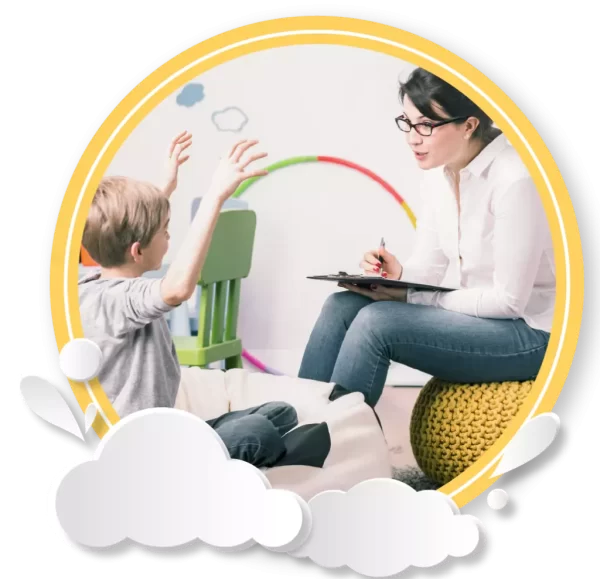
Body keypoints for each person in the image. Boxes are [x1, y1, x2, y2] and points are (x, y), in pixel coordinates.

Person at [298, 67, 555, 409]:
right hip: (482, 318)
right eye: (407, 122)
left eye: (426, 125)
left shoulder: (515, 179)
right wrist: (396, 276)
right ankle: (294, 423)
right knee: (341, 305)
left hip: (533, 333)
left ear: (469, 125)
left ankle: (336, 436)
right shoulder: (439, 174)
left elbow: (509, 303)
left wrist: (413, 298)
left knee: (377, 323)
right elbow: (429, 268)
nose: (412, 138)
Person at [78, 132, 298, 468]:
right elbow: (178, 288)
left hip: (166, 432)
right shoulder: (113, 301)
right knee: (258, 433)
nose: (169, 235)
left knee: (282, 412)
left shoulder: (107, 281)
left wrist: (163, 190)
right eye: (164, 231)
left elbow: (128, 231)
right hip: (140, 456)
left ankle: (212, 449)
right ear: (137, 251)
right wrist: (215, 196)